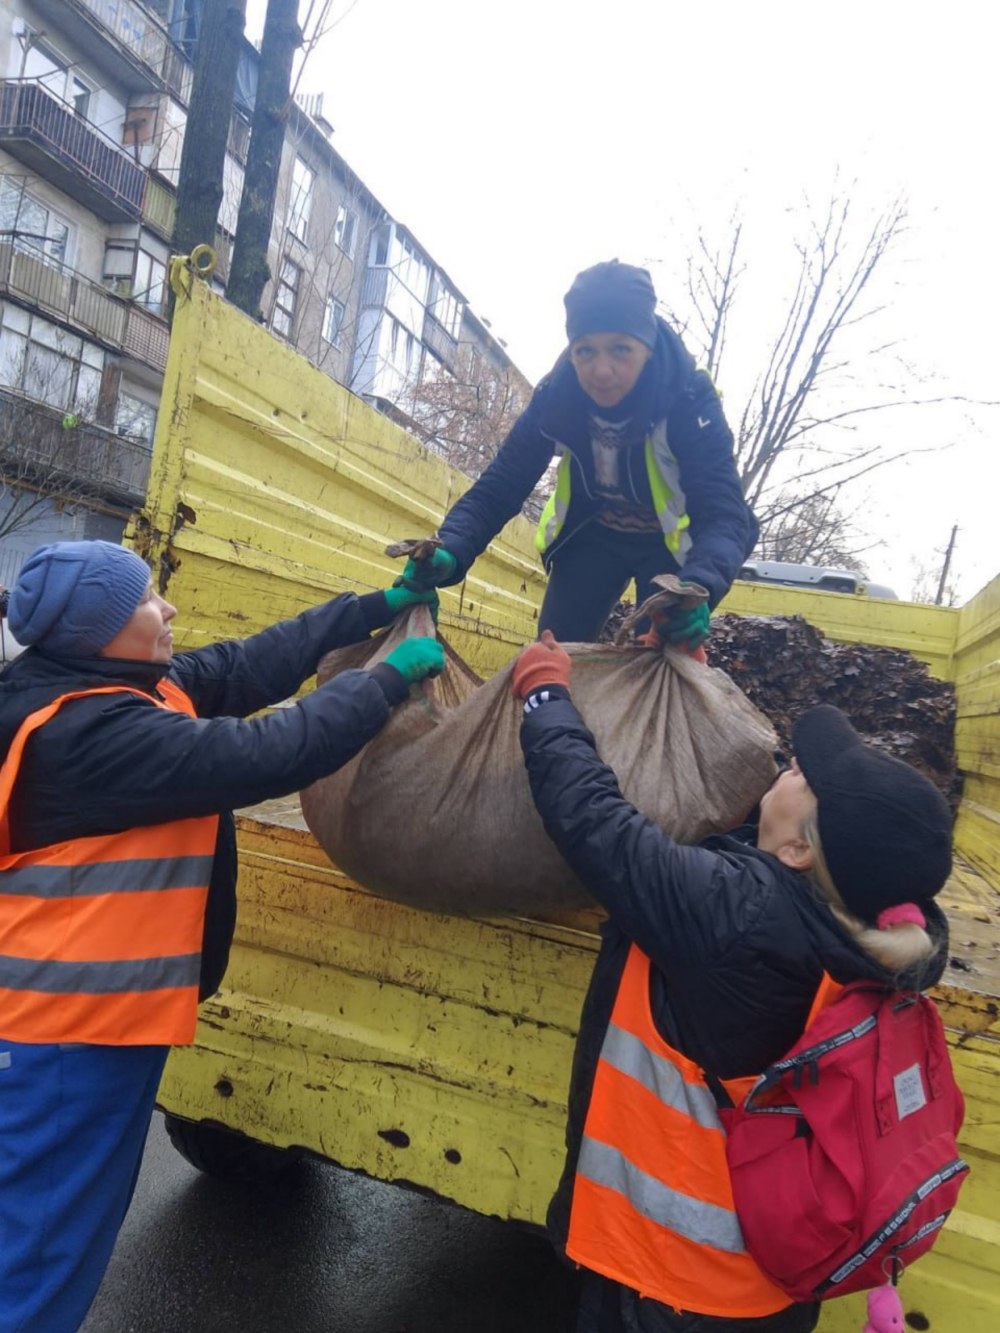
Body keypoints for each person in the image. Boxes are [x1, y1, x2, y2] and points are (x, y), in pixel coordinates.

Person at [0, 539, 444, 1333]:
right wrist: (386, 681)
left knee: (49, 1234)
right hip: (63, 1037)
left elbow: (245, 666)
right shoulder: (87, 735)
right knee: (38, 1253)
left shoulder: (111, 684)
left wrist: (373, 608)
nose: (168, 609)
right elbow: (269, 751)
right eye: (147, 601)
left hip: (88, 1024)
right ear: (99, 629)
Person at [510, 631, 953, 1332]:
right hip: (774, 1289)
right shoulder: (892, 941)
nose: (787, 768)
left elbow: (595, 822)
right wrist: (688, 698)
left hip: (667, 1283)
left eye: (801, 774)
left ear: (802, 848)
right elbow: (755, 847)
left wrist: (543, 695)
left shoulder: (731, 912)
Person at [397, 260, 757, 649]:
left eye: (621, 349)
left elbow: (723, 513)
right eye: (586, 351)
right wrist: (451, 548)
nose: (601, 370)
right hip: (595, 533)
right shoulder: (559, 395)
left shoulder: (690, 399)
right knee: (555, 651)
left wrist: (700, 586)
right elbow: (500, 487)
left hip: (670, 547)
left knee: (658, 658)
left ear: (647, 348)